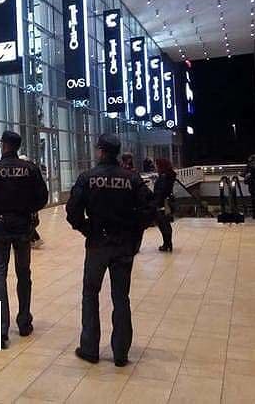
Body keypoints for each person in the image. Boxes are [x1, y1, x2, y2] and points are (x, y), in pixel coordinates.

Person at [66, 134, 154, 366]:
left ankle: (89, 348)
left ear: (100, 151)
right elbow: (150, 209)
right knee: (121, 297)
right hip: (123, 244)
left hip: (97, 243)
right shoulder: (132, 178)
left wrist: (86, 229)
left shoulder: (87, 178)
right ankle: (121, 352)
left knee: (90, 294)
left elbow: (72, 211)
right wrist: (134, 231)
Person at [0, 131, 48, 349]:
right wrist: (27, 210)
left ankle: (0, 329)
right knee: (24, 273)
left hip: (0, 226)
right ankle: (24, 322)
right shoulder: (30, 169)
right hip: (23, 226)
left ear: (3, 145)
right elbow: (42, 197)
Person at [154, 158, 177, 252]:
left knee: (163, 224)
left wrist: (155, 202)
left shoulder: (163, 177)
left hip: (162, 203)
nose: (155, 167)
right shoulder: (169, 175)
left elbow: (161, 191)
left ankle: (166, 244)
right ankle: (168, 243)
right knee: (166, 223)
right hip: (167, 203)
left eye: (156, 165)